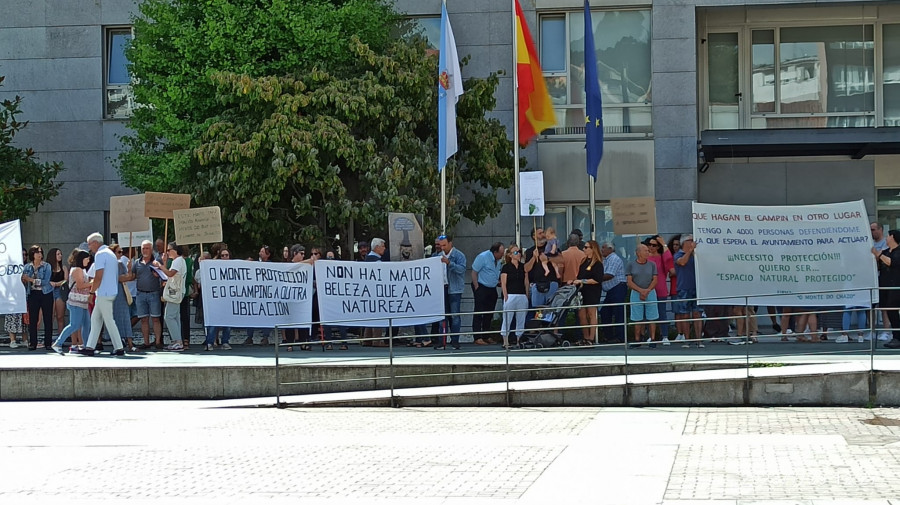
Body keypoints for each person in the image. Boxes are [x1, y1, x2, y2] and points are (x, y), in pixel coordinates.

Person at [81, 233, 125, 356]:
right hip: (109, 291)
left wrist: (91, 292)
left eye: (89, 244)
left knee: (108, 320)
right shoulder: (110, 253)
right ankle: (90, 347)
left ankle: (119, 347)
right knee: (96, 319)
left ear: (95, 242)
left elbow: (98, 276)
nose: (89, 247)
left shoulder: (100, 255)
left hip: (104, 292)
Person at [51, 249, 92, 354]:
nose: (88, 261)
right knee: (74, 324)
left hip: (82, 301)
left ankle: (86, 346)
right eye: (87, 258)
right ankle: (58, 343)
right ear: (82, 259)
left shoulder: (82, 270)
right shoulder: (77, 270)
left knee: (86, 324)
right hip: (75, 301)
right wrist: (93, 282)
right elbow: (80, 285)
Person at [124, 240, 164, 350]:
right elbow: (132, 277)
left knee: (156, 318)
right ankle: (146, 342)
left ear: (151, 250)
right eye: (143, 248)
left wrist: (159, 273)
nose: (144, 250)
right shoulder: (137, 263)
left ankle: (157, 341)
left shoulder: (157, 261)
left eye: (147, 248)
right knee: (143, 319)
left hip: (154, 293)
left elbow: (164, 274)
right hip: (141, 294)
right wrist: (128, 269)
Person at [435, 235, 466, 350]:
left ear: (450, 243)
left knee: (455, 315)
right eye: (440, 245)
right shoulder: (438, 256)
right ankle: (442, 341)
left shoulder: (459, 255)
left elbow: (462, 270)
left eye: (444, 245)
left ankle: (455, 341)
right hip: (442, 288)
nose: (442, 248)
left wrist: (449, 263)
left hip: (455, 289)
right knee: (442, 316)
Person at [471, 242, 505, 346]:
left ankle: (486, 335)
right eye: (501, 253)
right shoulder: (483, 257)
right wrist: (477, 287)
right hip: (481, 287)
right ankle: (477, 337)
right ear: (495, 252)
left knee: (489, 313)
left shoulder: (498, 261)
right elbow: (474, 272)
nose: (502, 255)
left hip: (492, 288)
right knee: (479, 312)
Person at [571, 240, 604, 346]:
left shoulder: (598, 263)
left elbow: (597, 279)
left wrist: (583, 281)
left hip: (593, 291)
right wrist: (576, 281)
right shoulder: (583, 261)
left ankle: (591, 338)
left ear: (592, 249)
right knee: (582, 315)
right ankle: (585, 337)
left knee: (591, 313)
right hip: (582, 290)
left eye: (586, 247)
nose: (584, 249)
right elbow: (580, 275)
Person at [21, 244, 53, 351]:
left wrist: (30, 280)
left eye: (41, 252)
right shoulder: (27, 267)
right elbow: (25, 281)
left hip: (46, 293)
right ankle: (32, 342)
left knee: (47, 318)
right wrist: (24, 280)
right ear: (32, 254)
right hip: (33, 294)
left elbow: (45, 281)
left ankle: (48, 342)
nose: (40, 254)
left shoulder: (47, 266)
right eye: (37, 252)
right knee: (33, 319)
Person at [674, 235, 704, 348]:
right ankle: (687, 340)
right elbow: (682, 262)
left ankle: (699, 340)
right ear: (684, 242)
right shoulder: (678, 254)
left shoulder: (696, 255)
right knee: (684, 314)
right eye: (690, 240)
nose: (693, 242)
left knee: (697, 313)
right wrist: (690, 251)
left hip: (696, 287)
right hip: (684, 288)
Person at [200, 247, 233, 350]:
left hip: (228, 300)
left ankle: (225, 342)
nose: (224, 257)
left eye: (226, 255)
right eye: (222, 255)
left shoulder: (234, 267)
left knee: (227, 323)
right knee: (213, 322)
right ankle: (209, 342)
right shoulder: (213, 266)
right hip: (215, 300)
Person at [626, 243, 659, 348]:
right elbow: (629, 282)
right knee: (636, 317)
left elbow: (655, 279)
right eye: (645, 251)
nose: (647, 252)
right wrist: (640, 291)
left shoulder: (652, 264)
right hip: (636, 292)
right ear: (638, 253)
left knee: (652, 316)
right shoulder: (631, 265)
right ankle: (637, 339)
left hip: (650, 291)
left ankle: (653, 339)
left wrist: (647, 290)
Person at [156, 242, 187, 351]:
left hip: (175, 292)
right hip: (177, 291)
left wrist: (160, 266)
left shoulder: (178, 261)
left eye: (169, 250)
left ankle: (177, 341)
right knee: (175, 317)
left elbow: (170, 274)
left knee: (169, 316)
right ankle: (177, 340)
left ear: (175, 250)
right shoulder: (179, 261)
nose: (167, 252)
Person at [108, 245, 136, 351]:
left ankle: (128, 342)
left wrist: (129, 269)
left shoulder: (120, 264)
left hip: (120, 293)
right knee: (114, 318)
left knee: (124, 317)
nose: (121, 254)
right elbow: (120, 278)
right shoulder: (110, 265)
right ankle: (119, 341)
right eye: (118, 252)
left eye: (121, 252)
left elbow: (128, 277)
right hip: (113, 293)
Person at [500, 243, 528, 348]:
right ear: (510, 255)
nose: (518, 254)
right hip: (511, 295)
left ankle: (518, 340)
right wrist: (506, 295)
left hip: (521, 294)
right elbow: (503, 282)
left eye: (519, 252)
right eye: (516, 252)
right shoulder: (506, 267)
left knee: (521, 318)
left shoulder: (522, 267)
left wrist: (527, 294)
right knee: (507, 317)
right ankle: (505, 340)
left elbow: (526, 281)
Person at [876, 230, 900, 349]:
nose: (886, 238)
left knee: (893, 308)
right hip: (885, 286)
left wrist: (879, 255)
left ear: (893, 237)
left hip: (896, 286)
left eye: (888, 235)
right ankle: (896, 336)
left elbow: (892, 262)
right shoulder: (885, 252)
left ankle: (897, 337)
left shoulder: (898, 252)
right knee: (889, 311)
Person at [599, 242, 626, 343]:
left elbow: (610, 274)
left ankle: (620, 337)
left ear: (610, 249)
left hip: (617, 287)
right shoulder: (606, 260)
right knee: (605, 312)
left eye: (604, 248)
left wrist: (596, 278)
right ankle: (609, 336)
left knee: (618, 313)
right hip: (611, 290)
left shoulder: (614, 258)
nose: (602, 250)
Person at [647, 237, 671, 344]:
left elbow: (669, 259)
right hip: (648, 289)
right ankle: (650, 336)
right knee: (650, 314)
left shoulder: (662, 257)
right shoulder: (645, 258)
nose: (651, 247)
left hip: (660, 288)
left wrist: (664, 244)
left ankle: (665, 336)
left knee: (662, 313)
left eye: (654, 245)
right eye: (650, 244)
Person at [47, 248, 68, 336]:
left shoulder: (63, 267)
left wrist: (56, 283)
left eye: (60, 254)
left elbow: (66, 280)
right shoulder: (48, 268)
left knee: (60, 317)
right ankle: (49, 338)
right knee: (50, 316)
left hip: (60, 291)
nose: (60, 256)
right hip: (49, 291)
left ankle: (60, 338)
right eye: (58, 254)